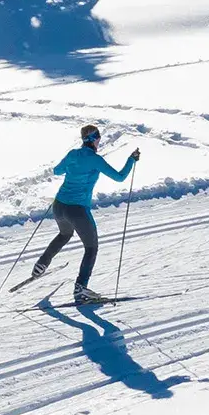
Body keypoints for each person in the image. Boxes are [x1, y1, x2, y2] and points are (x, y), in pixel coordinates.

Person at [30, 125, 138, 303]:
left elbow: (57, 171)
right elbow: (120, 177)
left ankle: (41, 264)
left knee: (65, 234)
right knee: (91, 247)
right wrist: (131, 160)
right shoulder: (95, 159)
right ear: (94, 139)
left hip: (59, 206)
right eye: (98, 138)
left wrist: (72, 168)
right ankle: (80, 288)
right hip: (77, 210)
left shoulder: (73, 154)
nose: (99, 141)